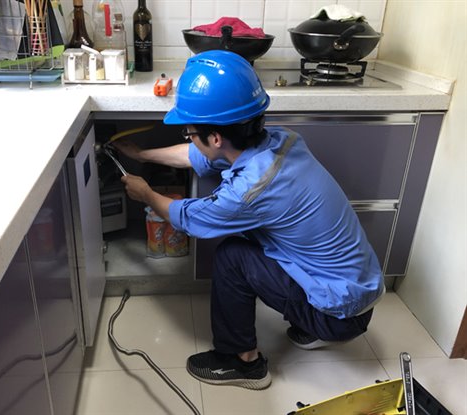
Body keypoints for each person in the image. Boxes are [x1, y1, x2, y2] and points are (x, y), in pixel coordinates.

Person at [113, 50, 385, 390]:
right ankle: (310, 324)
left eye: (190, 132)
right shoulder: (282, 141)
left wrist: (146, 194)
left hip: (340, 314)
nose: (189, 137)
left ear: (216, 138)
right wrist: (142, 154)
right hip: (358, 291)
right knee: (259, 241)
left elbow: (190, 218)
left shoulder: (250, 190)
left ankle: (243, 363)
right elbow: (200, 156)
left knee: (232, 256)